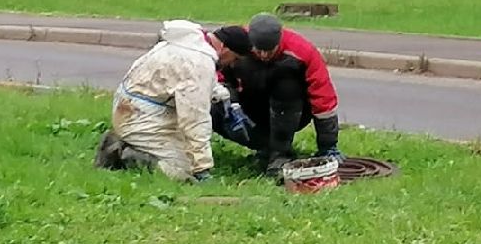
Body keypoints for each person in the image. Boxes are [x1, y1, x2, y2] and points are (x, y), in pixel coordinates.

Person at [95, 20, 239, 182]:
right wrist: (202, 167)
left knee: (184, 151)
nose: (232, 65)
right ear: (225, 49)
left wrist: (223, 96)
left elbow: (192, 82)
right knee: (182, 171)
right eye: (234, 59)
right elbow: (194, 120)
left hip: (133, 106)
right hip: (142, 117)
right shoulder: (198, 62)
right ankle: (128, 155)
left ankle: (124, 141)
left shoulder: (186, 45)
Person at [213, 12, 341, 179]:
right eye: (259, 50)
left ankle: (280, 153)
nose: (264, 55)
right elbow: (217, 78)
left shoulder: (302, 51)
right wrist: (230, 104)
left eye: (269, 50)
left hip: (291, 110)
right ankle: (266, 146)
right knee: (212, 105)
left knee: (287, 85)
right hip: (250, 105)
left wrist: (328, 145)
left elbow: (323, 97)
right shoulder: (236, 42)